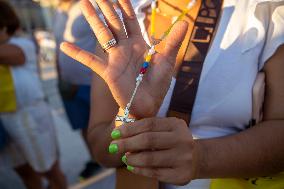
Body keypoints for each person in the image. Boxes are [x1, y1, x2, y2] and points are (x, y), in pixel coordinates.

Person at [61, 0, 284, 188]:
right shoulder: (120, 23)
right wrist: (130, 114)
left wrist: (201, 159)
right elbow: (102, 152)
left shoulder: (264, 10)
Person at [0, 1, 66, 189]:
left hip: (29, 115)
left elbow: (13, 56)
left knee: (50, 169)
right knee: (24, 171)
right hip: (4, 118)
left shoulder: (22, 44)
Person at [53, 0, 102, 181]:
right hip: (69, 85)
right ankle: (94, 159)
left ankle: (120, 157)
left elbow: (105, 41)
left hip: (92, 83)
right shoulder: (57, 12)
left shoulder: (89, 5)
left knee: (105, 124)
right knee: (82, 126)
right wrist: (61, 78)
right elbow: (57, 46)